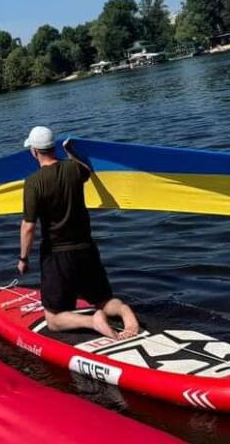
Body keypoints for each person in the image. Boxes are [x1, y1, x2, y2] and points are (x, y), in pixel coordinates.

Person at [17, 126, 140, 341]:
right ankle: (124, 312)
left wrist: (23, 258)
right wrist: (71, 151)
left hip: (57, 255)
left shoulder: (33, 182)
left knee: (53, 319)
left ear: (34, 151)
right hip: (87, 249)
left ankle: (92, 321)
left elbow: (28, 226)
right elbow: (87, 169)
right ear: (53, 147)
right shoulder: (74, 169)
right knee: (103, 299)